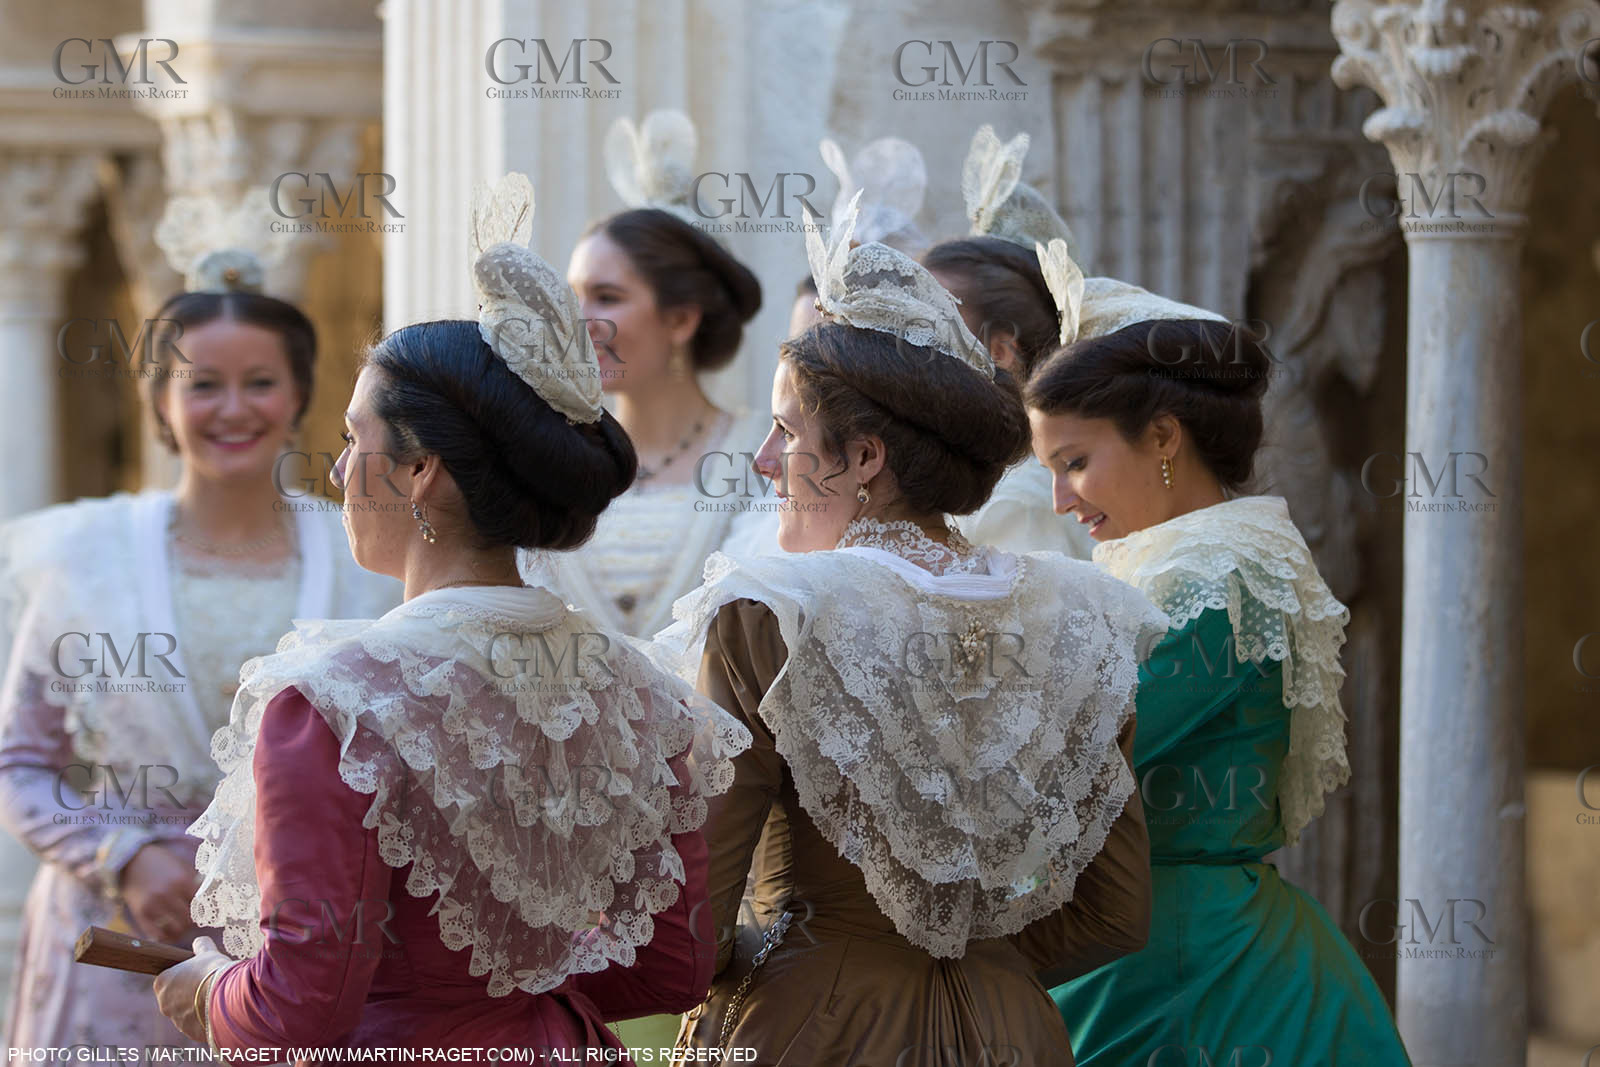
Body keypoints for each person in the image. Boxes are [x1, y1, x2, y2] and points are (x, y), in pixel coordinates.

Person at [151, 174, 750, 1055]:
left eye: (356, 439)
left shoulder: (334, 706)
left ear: (423, 467)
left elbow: (299, 1005)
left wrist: (211, 992)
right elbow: (671, 968)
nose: (338, 471)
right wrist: (509, 983)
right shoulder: (647, 698)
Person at [660, 195, 1169, 1065]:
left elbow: (693, 932)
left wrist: (813, 968)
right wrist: (987, 961)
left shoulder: (768, 614)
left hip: (813, 1028)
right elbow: (1114, 910)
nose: (761, 460)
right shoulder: (1087, 616)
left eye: (785, 431)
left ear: (865, 457)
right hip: (1011, 1028)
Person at [0, 197, 399, 1051]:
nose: (233, 409)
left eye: (260, 382)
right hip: (115, 938)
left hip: (303, 937)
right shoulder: (85, 554)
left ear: (299, 395)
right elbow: (21, 761)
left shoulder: (364, 557)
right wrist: (126, 857)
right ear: (158, 401)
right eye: (202, 384)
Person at [1026, 313, 1412, 1065]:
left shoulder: (1217, 576)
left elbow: (1069, 761)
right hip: (1149, 935)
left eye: (1073, 462)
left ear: (1164, 437)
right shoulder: (1163, 563)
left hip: (1186, 963)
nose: (1059, 501)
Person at [523, 109, 771, 639]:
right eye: (573, 298)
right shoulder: (543, 458)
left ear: (681, 318)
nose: (578, 321)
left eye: (607, 298)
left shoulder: (766, 459)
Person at [924, 126, 1094, 559]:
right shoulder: (987, 478)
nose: (911, 344)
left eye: (932, 324)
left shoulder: (1019, 504)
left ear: (999, 352)